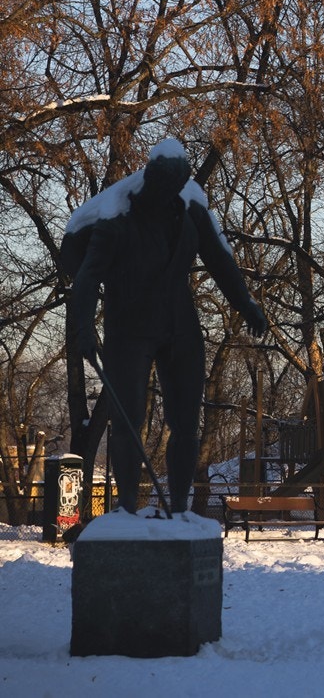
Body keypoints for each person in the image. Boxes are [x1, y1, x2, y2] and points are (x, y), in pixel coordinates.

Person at [64, 139, 268, 516]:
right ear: (151, 178)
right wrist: (84, 330)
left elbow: (220, 258)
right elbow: (88, 276)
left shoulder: (189, 207)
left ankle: (179, 508)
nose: (167, 193)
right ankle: (126, 509)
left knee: (187, 422)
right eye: (162, 186)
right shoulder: (117, 217)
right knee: (129, 420)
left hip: (180, 325)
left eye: (175, 186)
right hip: (128, 326)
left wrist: (246, 304)